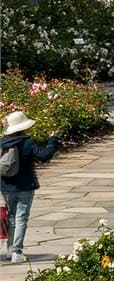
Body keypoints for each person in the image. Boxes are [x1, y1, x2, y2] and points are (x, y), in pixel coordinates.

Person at [0, 110, 61, 263]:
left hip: (6, 185)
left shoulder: (2, 143)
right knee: (21, 217)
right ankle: (17, 252)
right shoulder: (27, 142)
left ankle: (9, 250)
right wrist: (52, 140)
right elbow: (43, 156)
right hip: (25, 185)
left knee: (12, 216)